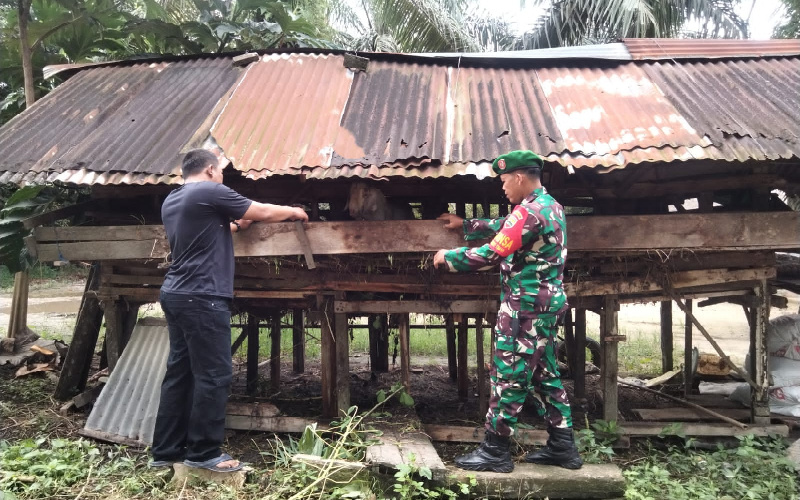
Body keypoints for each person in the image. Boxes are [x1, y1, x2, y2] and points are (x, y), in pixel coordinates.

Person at [150, 148, 308, 472]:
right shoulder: (211, 190)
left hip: (175, 293)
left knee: (179, 373)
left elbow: (211, 230)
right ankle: (204, 453)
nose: (222, 177)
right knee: (214, 375)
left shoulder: (173, 199)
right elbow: (261, 210)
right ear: (210, 170)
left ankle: (165, 451)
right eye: (221, 171)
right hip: (202, 296)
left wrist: (238, 224)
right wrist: (294, 211)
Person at [433, 150, 582, 473]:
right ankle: (563, 446)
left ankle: (495, 451)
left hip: (525, 308)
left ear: (518, 178)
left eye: (503, 181)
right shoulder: (549, 206)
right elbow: (507, 225)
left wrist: (450, 257)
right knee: (545, 375)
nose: (502, 188)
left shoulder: (529, 212)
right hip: (545, 304)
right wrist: (467, 224)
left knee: (508, 373)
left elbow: (492, 253)